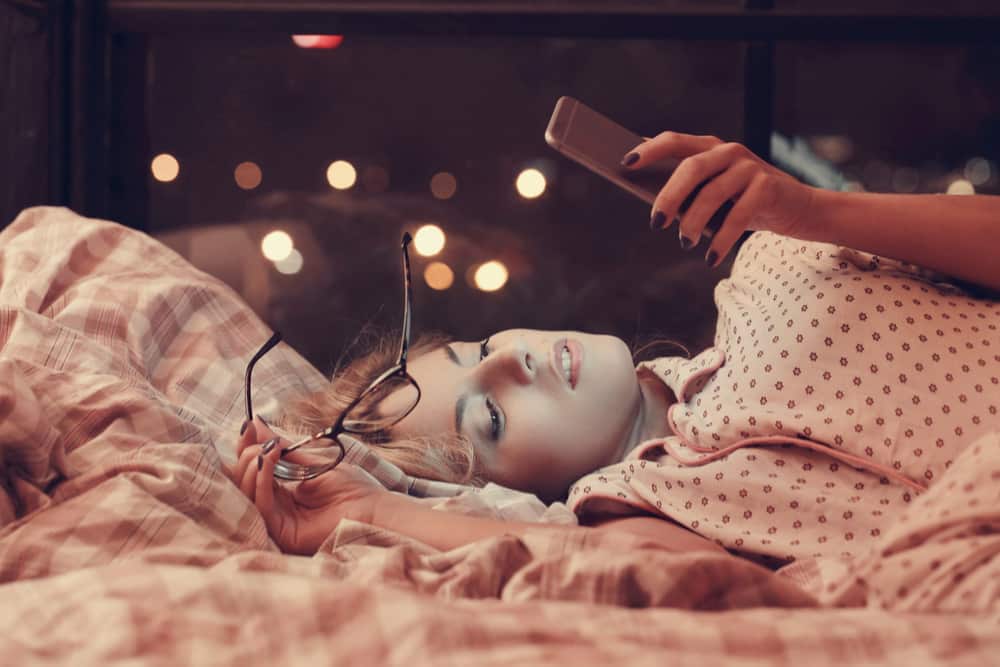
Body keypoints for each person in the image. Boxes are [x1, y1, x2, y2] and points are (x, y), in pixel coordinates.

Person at [228, 131, 1000, 562]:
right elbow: (607, 570)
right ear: (519, 496)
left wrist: (813, 210)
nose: (513, 360)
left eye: (482, 345)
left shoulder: (776, 261)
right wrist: (370, 509)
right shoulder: (648, 516)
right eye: (490, 419)